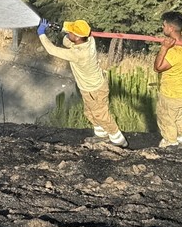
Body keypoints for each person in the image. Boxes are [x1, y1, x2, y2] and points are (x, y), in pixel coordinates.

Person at [36, 18, 127, 147]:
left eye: (71, 32)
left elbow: (52, 50)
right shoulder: (89, 40)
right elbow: (68, 40)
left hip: (95, 89)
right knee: (89, 112)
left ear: (78, 37)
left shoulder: (78, 54)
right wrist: (59, 28)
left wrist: (42, 34)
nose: (69, 33)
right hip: (88, 88)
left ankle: (118, 140)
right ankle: (101, 135)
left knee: (101, 115)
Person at [153, 10, 182, 147]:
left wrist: (164, 48)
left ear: (171, 28)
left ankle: (170, 145)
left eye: (164, 26)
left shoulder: (175, 53)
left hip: (171, 94)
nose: (162, 28)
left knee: (166, 119)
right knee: (177, 117)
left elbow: (157, 67)